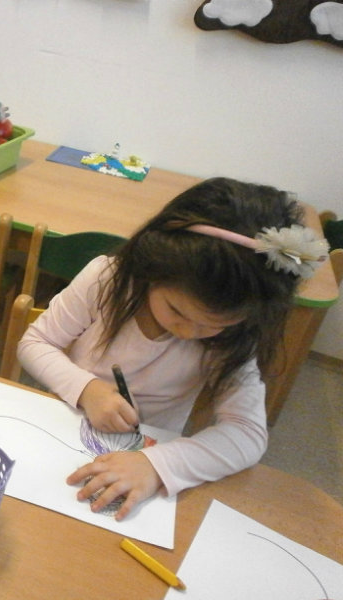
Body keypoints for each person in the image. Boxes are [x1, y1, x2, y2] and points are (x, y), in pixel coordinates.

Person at [17, 177, 329, 520]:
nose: (189, 331)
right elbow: (35, 342)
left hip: (145, 453)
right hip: (63, 423)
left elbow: (248, 434)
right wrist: (86, 389)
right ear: (152, 268)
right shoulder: (107, 280)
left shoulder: (235, 336)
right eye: (177, 311)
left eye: (212, 324)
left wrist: (157, 464)